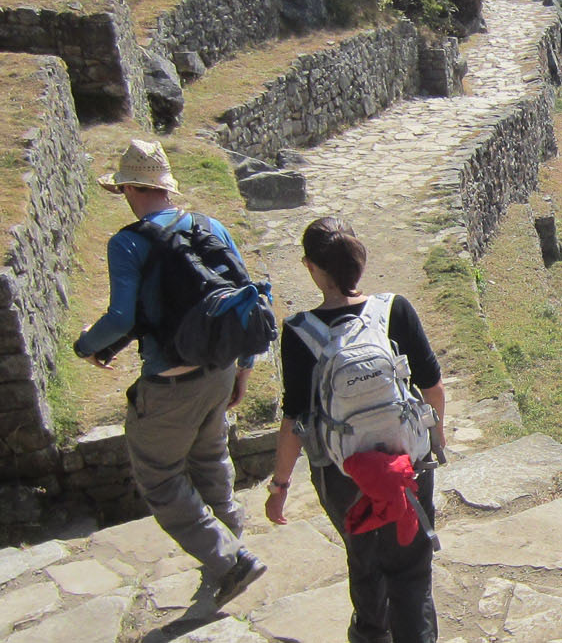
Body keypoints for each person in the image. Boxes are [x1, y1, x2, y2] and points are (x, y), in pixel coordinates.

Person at [73, 139, 267, 607]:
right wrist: (244, 367)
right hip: (219, 367)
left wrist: (86, 345)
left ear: (129, 189)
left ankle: (229, 558)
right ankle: (231, 536)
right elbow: (246, 294)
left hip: (171, 378)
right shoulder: (210, 225)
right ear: (165, 187)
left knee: (159, 478)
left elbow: (121, 317)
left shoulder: (128, 242)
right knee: (208, 455)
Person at [266, 217, 447, 643]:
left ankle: (370, 633)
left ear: (311, 267)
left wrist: (280, 484)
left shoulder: (298, 333)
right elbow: (433, 388)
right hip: (407, 465)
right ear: (359, 262)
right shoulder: (394, 310)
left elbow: (295, 421)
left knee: (364, 561)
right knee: (411, 570)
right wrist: (434, 439)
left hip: (341, 472)